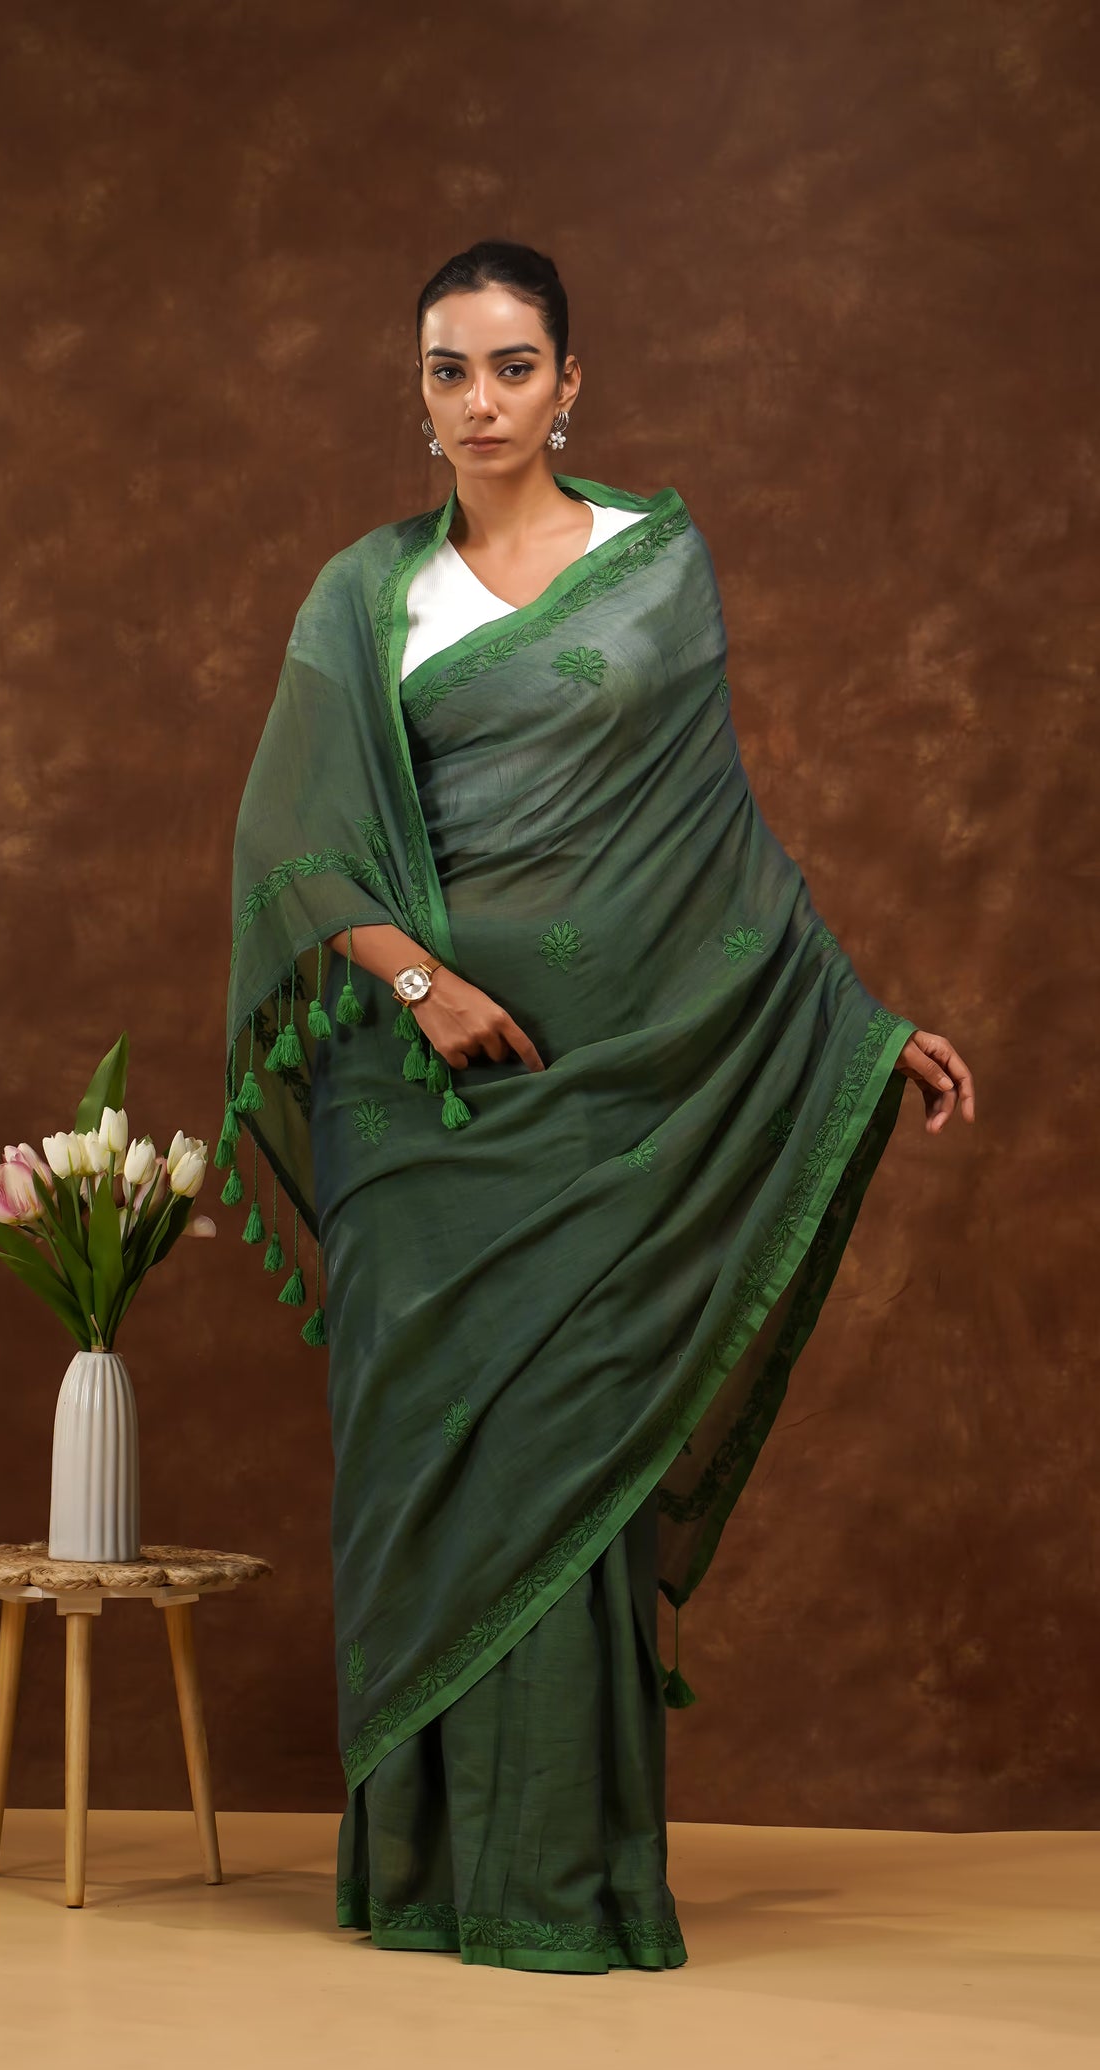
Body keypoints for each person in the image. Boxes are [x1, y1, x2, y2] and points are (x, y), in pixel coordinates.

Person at [219, 238, 976, 1973]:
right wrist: (423, 984)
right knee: (427, 1472)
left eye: (508, 367)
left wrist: (858, 1023)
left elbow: (722, 846)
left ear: (573, 386)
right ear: (414, 391)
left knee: (571, 1466)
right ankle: (415, 1881)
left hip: (607, 1108)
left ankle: (560, 1886)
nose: (476, 403)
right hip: (412, 1113)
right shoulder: (364, 592)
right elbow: (295, 849)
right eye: (443, 370)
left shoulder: (654, 569)